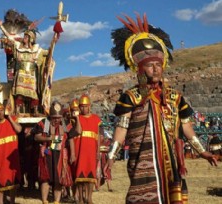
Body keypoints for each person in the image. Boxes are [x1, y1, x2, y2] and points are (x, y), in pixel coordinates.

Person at [104, 13, 218, 203]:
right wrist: (111, 156)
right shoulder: (131, 97)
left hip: (171, 162)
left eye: (158, 64)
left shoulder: (175, 97)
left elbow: (187, 128)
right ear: (140, 69)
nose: (156, 69)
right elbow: (121, 128)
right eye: (150, 65)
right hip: (143, 161)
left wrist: (202, 152)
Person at [0, 17, 49, 116]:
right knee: (19, 94)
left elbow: (47, 52)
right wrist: (1, 26)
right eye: (24, 36)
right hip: (21, 73)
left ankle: (35, 111)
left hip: (31, 75)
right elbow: (9, 37)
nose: (24, 38)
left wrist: (55, 39)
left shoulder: (37, 49)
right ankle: (18, 111)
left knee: (33, 93)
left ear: (30, 39)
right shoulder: (18, 46)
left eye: (26, 37)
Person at [34, 100, 73, 204]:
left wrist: (72, 153)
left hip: (60, 155)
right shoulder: (43, 123)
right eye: (54, 118)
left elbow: (71, 137)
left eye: (58, 118)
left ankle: (56, 201)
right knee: (45, 178)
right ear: (50, 116)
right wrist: (49, 138)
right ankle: (44, 201)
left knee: (58, 179)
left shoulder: (65, 123)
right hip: (46, 154)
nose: (56, 120)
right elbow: (36, 137)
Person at [0, 101, 22, 204]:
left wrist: (10, 118)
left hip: (12, 156)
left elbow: (19, 130)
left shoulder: (12, 121)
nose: (0, 113)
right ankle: (0, 202)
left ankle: (12, 201)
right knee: (0, 180)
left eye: (2, 111)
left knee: (13, 179)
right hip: (1, 156)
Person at [73, 94, 102, 204]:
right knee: (80, 175)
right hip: (80, 150)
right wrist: (76, 118)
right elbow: (77, 132)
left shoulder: (96, 119)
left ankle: (89, 197)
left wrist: (98, 151)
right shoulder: (77, 119)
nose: (83, 108)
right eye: (81, 106)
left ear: (89, 106)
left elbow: (98, 136)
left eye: (85, 106)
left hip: (91, 151)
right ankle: (80, 198)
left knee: (91, 175)